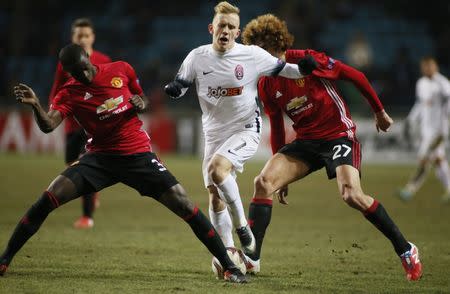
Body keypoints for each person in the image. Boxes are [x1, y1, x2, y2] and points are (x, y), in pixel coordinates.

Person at [0, 44, 246, 283]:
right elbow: (48, 125)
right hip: (99, 159)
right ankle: (4, 259)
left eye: (85, 68)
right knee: (48, 199)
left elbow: (142, 97)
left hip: (137, 155)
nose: (83, 75)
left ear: (89, 57)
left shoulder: (120, 70)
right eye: (76, 73)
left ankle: (229, 266)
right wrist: (35, 106)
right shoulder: (69, 93)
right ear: (68, 73)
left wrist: (142, 102)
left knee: (183, 203)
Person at [241, 14, 422, 281]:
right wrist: (281, 169)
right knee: (263, 182)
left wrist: (379, 111)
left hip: (338, 134)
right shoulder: (266, 81)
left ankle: (406, 250)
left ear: (273, 44)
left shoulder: (307, 59)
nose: (255, 58)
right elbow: (277, 125)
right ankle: (252, 259)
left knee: (351, 195)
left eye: (259, 51)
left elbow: (355, 75)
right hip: (306, 142)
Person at [163, 1, 316, 273]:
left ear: (237, 32)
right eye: (221, 25)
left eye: (231, 27)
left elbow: (286, 70)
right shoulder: (197, 57)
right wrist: (175, 89)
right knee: (214, 194)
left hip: (245, 128)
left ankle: (243, 228)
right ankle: (229, 251)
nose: (225, 30)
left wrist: (303, 69)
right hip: (213, 133)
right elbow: (182, 83)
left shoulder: (252, 55)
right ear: (212, 28)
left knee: (217, 170)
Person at [49, 18, 111, 229]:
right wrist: (52, 112)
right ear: (73, 38)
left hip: (94, 126)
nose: (83, 39)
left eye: (86, 35)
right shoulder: (64, 64)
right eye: (79, 36)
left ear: (92, 37)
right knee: (70, 164)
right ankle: (92, 193)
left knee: (84, 168)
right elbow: (57, 90)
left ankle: (87, 217)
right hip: (73, 125)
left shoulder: (103, 60)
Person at [399, 57, 450, 202]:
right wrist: (410, 119)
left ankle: (410, 190)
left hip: (439, 130)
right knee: (438, 159)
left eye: (429, 66)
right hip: (426, 130)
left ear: (435, 67)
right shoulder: (421, 83)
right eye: (424, 67)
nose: (426, 69)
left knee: (424, 158)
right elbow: (420, 104)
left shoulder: (443, 84)